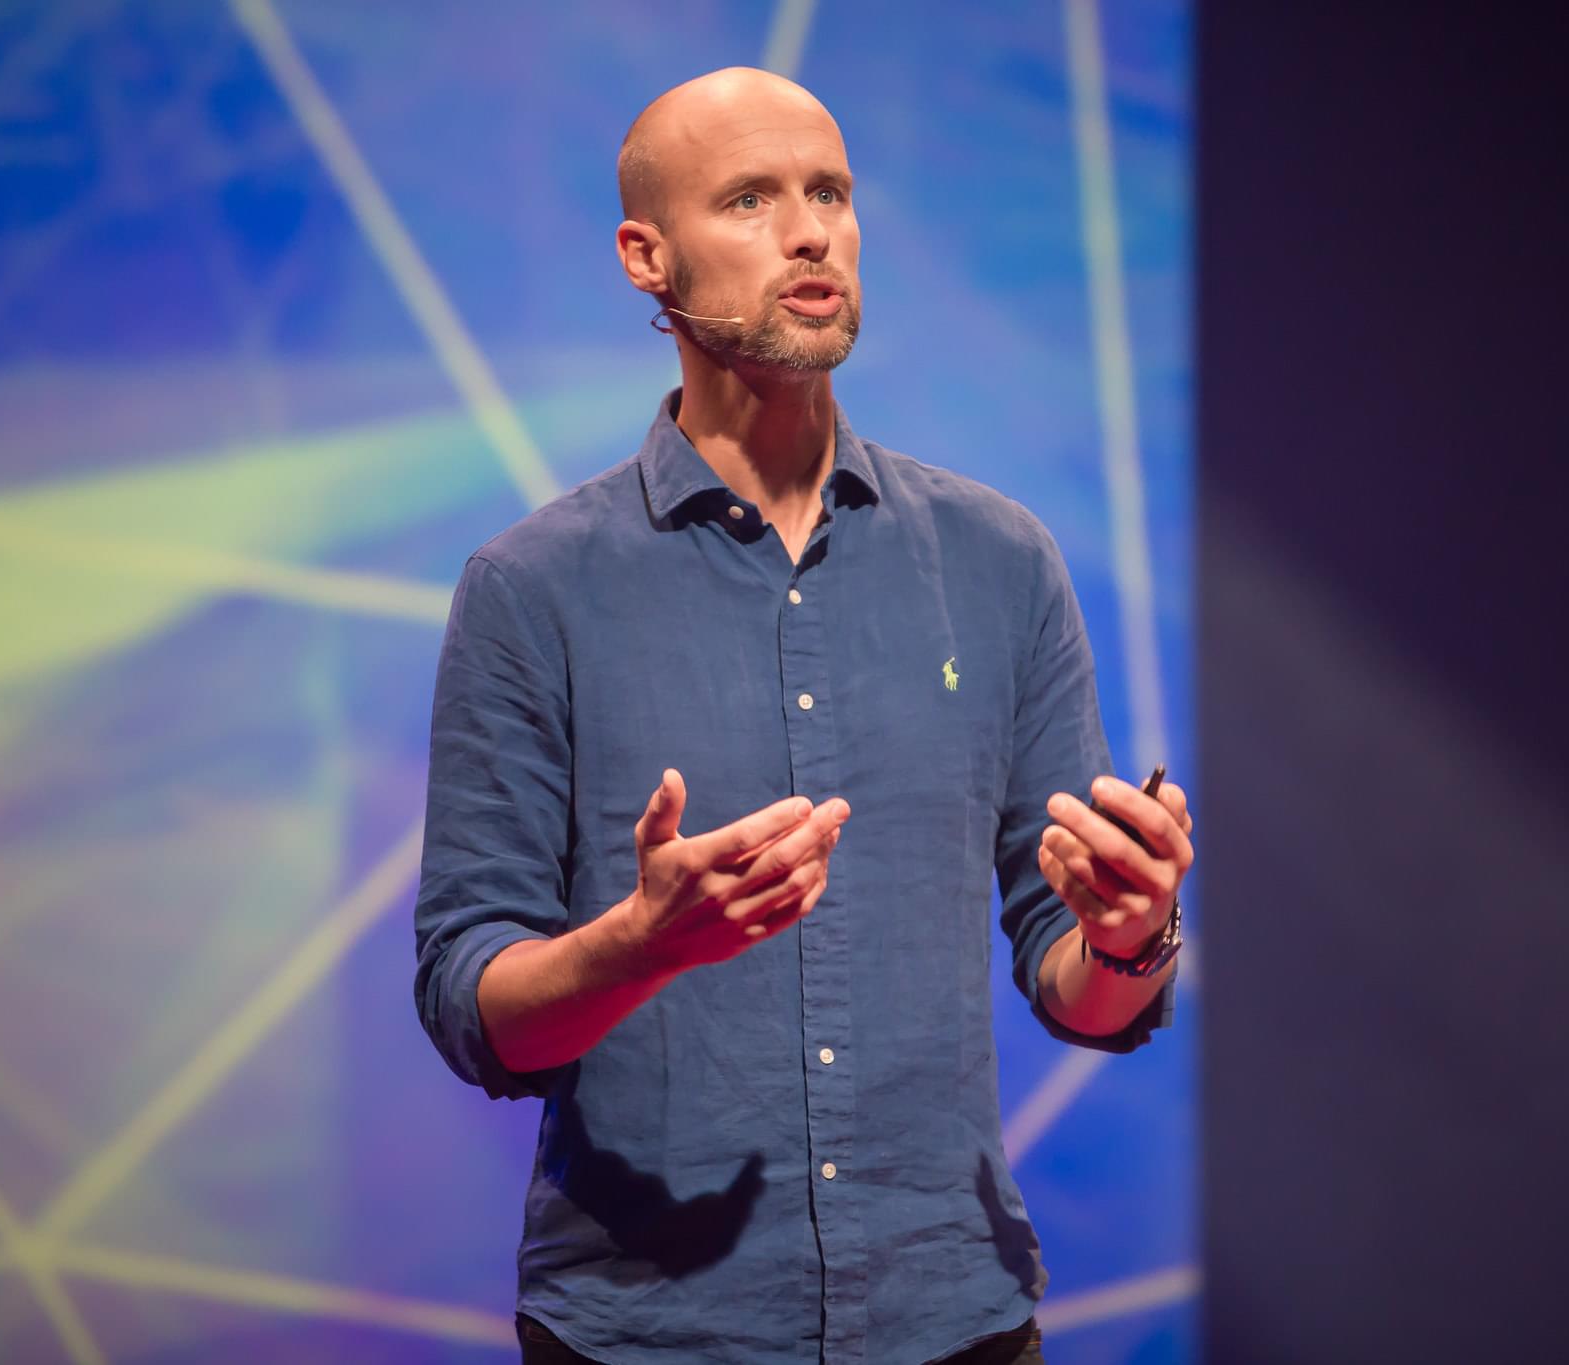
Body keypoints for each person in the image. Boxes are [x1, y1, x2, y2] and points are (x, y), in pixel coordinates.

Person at [413, 66, 1193, 1365]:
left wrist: (1129, 935)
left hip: (955, 1319)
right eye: (751, 199)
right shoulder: (531, 590)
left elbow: (1078, 981)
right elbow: (470, 1003)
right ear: (645, 259)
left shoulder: (1000, 560)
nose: (811, 229)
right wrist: (645, 943)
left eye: (829, 191)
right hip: (649, 1330)